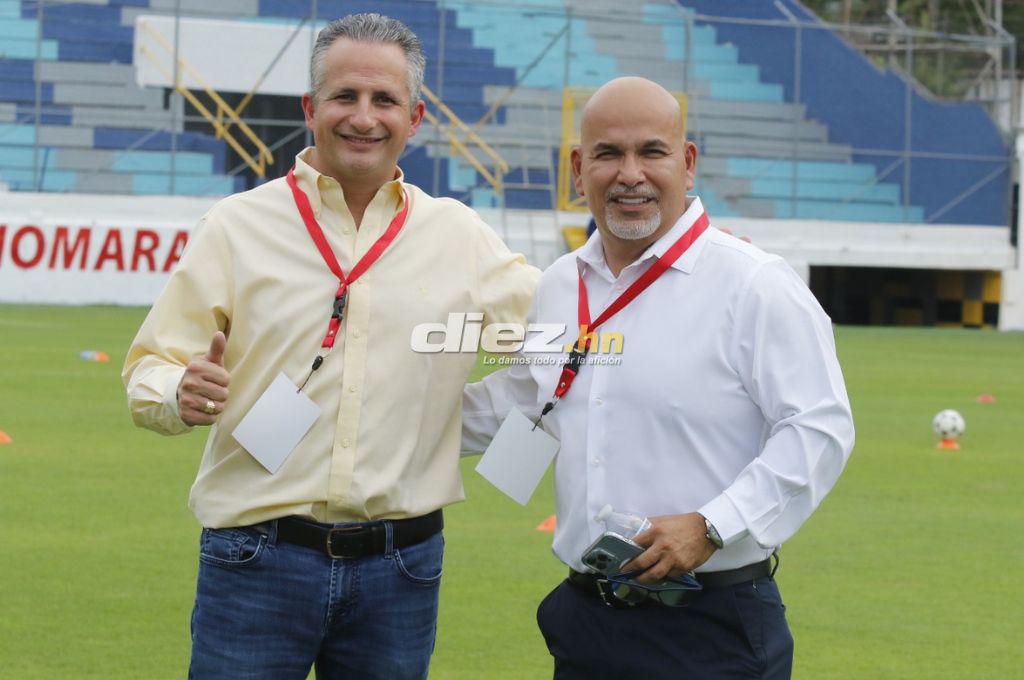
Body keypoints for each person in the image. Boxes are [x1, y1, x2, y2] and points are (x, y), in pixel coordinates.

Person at [122, 13, 537, 679]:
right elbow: (152, 365)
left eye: (385, 100)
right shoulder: (236, 227)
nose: (364, 118)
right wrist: (179, 392)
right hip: (254, 556)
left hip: (401, 567)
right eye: (345, 97)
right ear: (312, 109)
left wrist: (472, 420)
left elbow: (557, 336)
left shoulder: (459, 235)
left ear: (417, 116)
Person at [462, 77, 855, 679]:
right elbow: (528, 397)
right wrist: (368, 401)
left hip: (709, 626)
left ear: (687, 162)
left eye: (651, 151)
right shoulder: (561, 283)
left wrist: (712, 525)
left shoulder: (753, 283)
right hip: (586, 621)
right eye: (608, 154)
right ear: (578, 168)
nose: (630, 174)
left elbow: (820, 428)